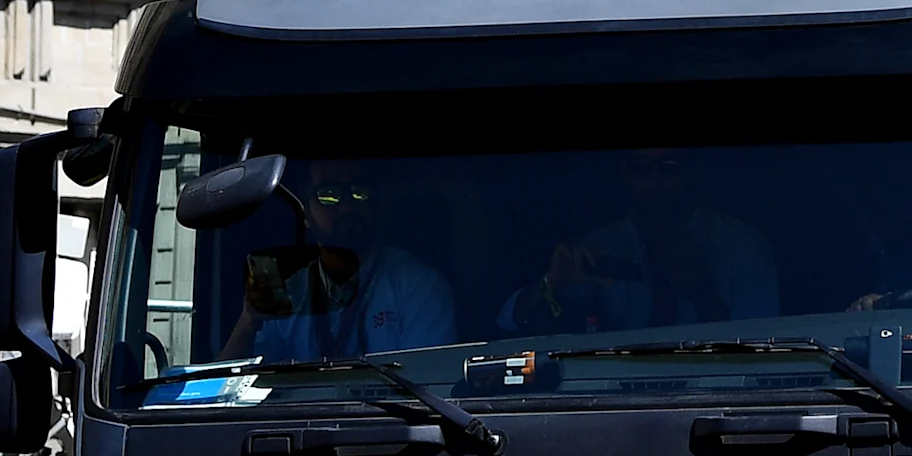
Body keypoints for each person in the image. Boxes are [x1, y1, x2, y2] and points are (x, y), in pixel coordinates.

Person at [502, 148, 779, 334]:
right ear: (625, 173)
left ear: (692, 171)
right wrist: (552, 282)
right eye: (641, 168)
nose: (655, 182)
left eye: (669, 168)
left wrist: (700, 287)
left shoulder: (742, 245)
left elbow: (761, 349)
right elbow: (509, 322)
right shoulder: (603, 246)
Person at [226, 161, 457, 362]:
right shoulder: (288, 296)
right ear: (305, 214)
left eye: (360, 191)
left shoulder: (418, 287)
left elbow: (426, 389)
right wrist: (248, 322)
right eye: (329, 194)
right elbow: (228, 390)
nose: (347, 205)